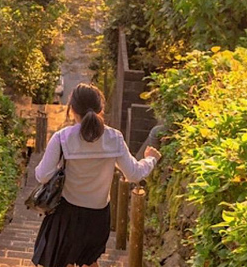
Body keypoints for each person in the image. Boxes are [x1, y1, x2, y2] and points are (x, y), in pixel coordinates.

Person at [32, 83, 161, 267]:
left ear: (72, 109)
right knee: (90, 261)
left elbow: (42, 176)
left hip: (67, 214)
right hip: (98, 216)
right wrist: (150, 159)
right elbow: (134, 174)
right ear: (101, 108)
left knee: (64, 260)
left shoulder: (62, 138)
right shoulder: (114, 137)